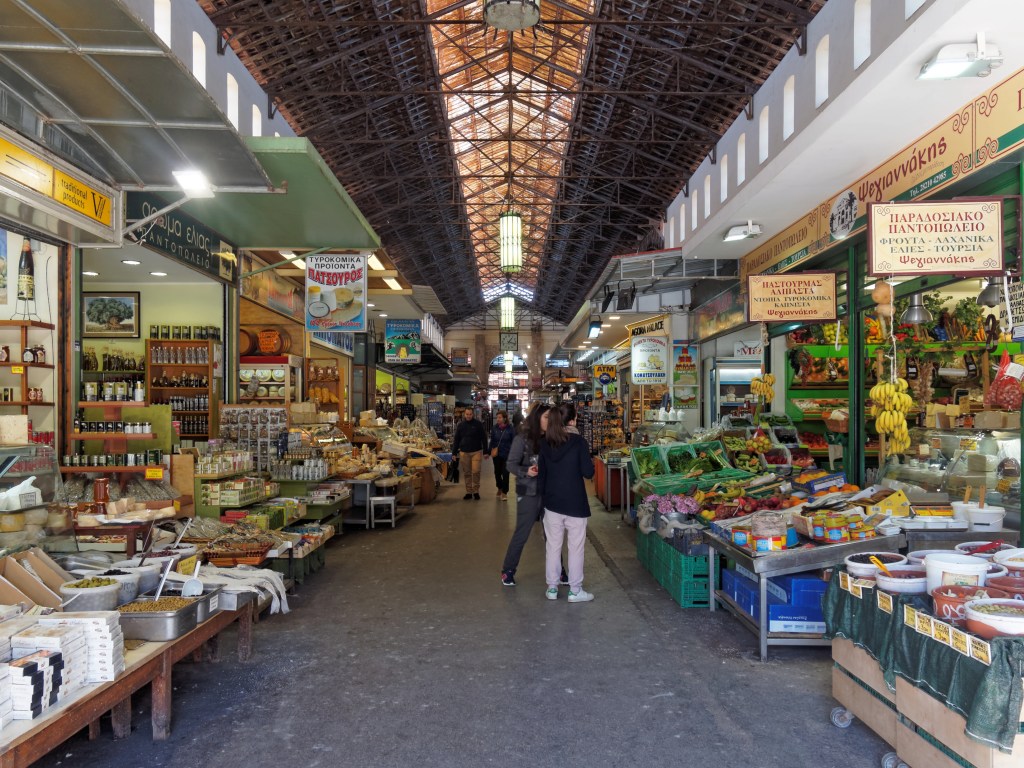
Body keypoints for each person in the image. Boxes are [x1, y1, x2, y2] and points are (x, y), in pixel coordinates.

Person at [538, 402, 595, 602]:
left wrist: (541, 503)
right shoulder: (579, 442)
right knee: (575, 547)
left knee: (553, 546)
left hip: (552, 503)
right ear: (572, 420)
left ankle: (552, 588)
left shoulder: (545, 442)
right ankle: (575, 590)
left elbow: (541, 477)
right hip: (575, 503)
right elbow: (588, 472)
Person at [452, 407, 487, 500]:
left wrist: (486, 451)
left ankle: (476, 491)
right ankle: (468, 492)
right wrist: (454, 453)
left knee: (476, 472)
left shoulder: (478, 424)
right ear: (464, 414)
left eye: (470, 414)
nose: (468, 416)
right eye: (467, 414)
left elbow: (484, 438)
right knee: (467, 473)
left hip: (476, 451)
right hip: (464, 452)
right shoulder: (460, 425)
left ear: (473, 414)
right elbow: (456, 439)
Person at [489, 411, 515, 500]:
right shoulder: (494, 428)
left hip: (507, 454)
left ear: (504, 418)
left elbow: (514, 440)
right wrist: (489, 451)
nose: (498, 419)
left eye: (500, 417)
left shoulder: (510, 428)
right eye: (497, 418)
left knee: (506, 473)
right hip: (497, 454)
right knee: (497, 472)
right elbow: (492, 440)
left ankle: (504, 492)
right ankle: (499, 487)